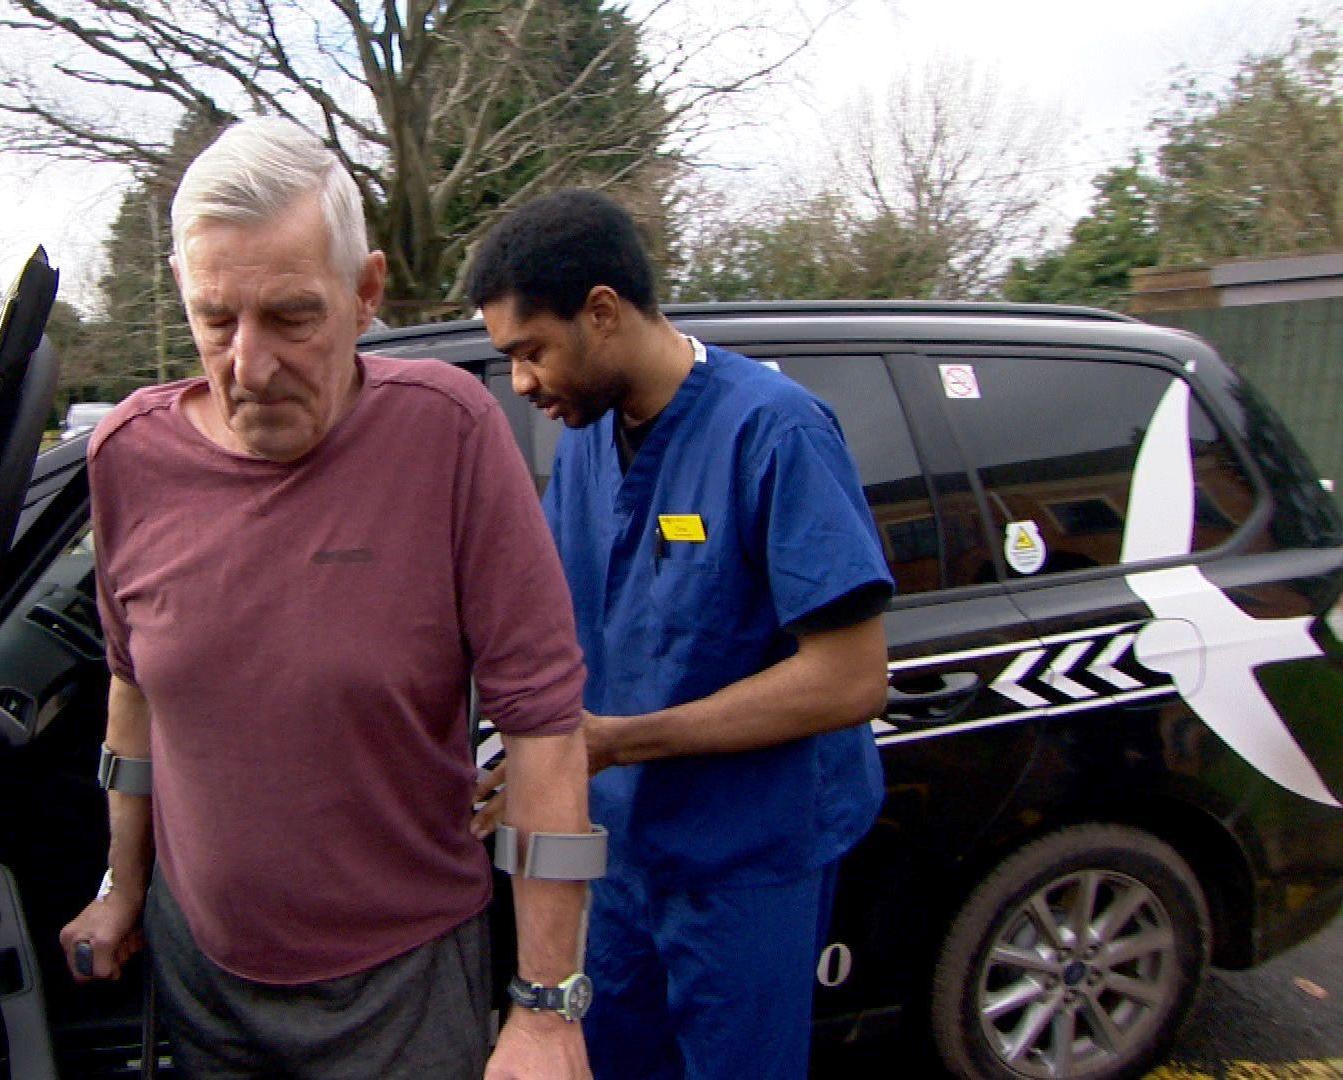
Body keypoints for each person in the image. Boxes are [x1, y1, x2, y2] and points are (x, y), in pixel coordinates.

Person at [59, 118, 598, 1080]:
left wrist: (547, 1007)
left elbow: (545, 727)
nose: (247, 367)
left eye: (293, 317)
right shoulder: (128, 459)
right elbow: (132, 690)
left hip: (401, 991)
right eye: (215, 319)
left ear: (365, 293)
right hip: (203, 977)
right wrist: (121, 886)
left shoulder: (448, 434)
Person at [465, 189, 893, 1079]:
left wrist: (617, 744)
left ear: (603, 312)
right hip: (622, 857)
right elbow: (545, 619)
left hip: (746, 862)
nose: (524, 383)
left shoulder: (772, 432)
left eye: (531, 351)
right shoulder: (586, 437)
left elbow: (849, 679)